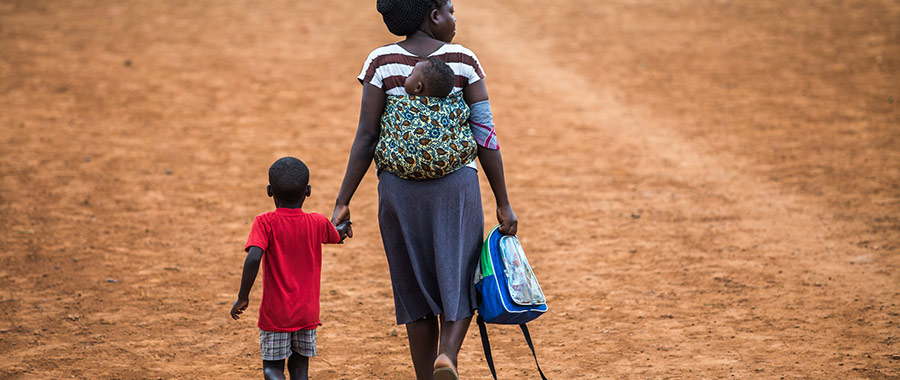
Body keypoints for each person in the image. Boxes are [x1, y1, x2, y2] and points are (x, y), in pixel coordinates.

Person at [331, 1, 517, 379]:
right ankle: (447, 356)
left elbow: (367, 136)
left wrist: (343, 200)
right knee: (461, 280)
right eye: (451, 9)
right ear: (434, 15)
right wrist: (503, 202)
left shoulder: (381, 62)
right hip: (456, 189)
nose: (454, 17)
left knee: (414, 291)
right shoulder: (463, 59)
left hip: (399, 192)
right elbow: (485, 136)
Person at [230, 157, 349, 380]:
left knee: (272, 368)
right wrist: (345, 226)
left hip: (276, 316)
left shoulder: (264, 222)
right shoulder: (317, 222)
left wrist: (243, 296)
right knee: (300, 369)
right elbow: (337, 234)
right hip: (307, 313)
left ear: (269, 191)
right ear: (308, 191)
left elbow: (254, 258)